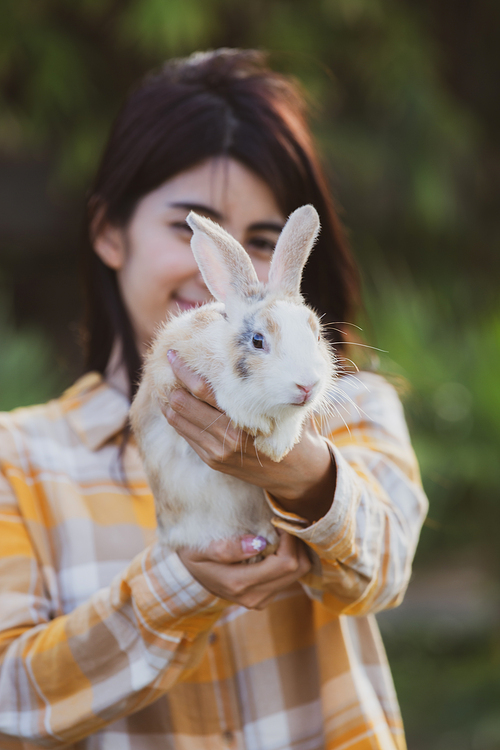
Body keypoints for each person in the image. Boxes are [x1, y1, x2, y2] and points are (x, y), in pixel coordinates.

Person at [0, 49, 428, 750]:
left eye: (263, 240)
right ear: (110, 232)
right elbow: (11, 704)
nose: (246, 282)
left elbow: (382, 568)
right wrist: (176, 590)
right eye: (189, 227)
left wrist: (303, 476)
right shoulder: (18, 459)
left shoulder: (347, 407)